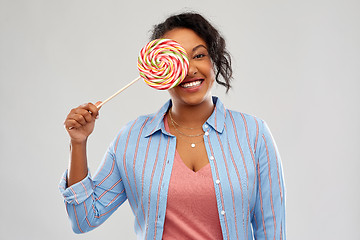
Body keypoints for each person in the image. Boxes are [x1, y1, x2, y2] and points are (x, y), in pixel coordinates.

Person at [60, 12, 286, 240]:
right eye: (175, 59)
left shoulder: (254, 134)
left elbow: (272, 231)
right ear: (158, 69)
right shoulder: (132, 139)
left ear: (213, 60)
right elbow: (84, 220)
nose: (189, 69)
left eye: (198, 55)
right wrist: (78, 143)